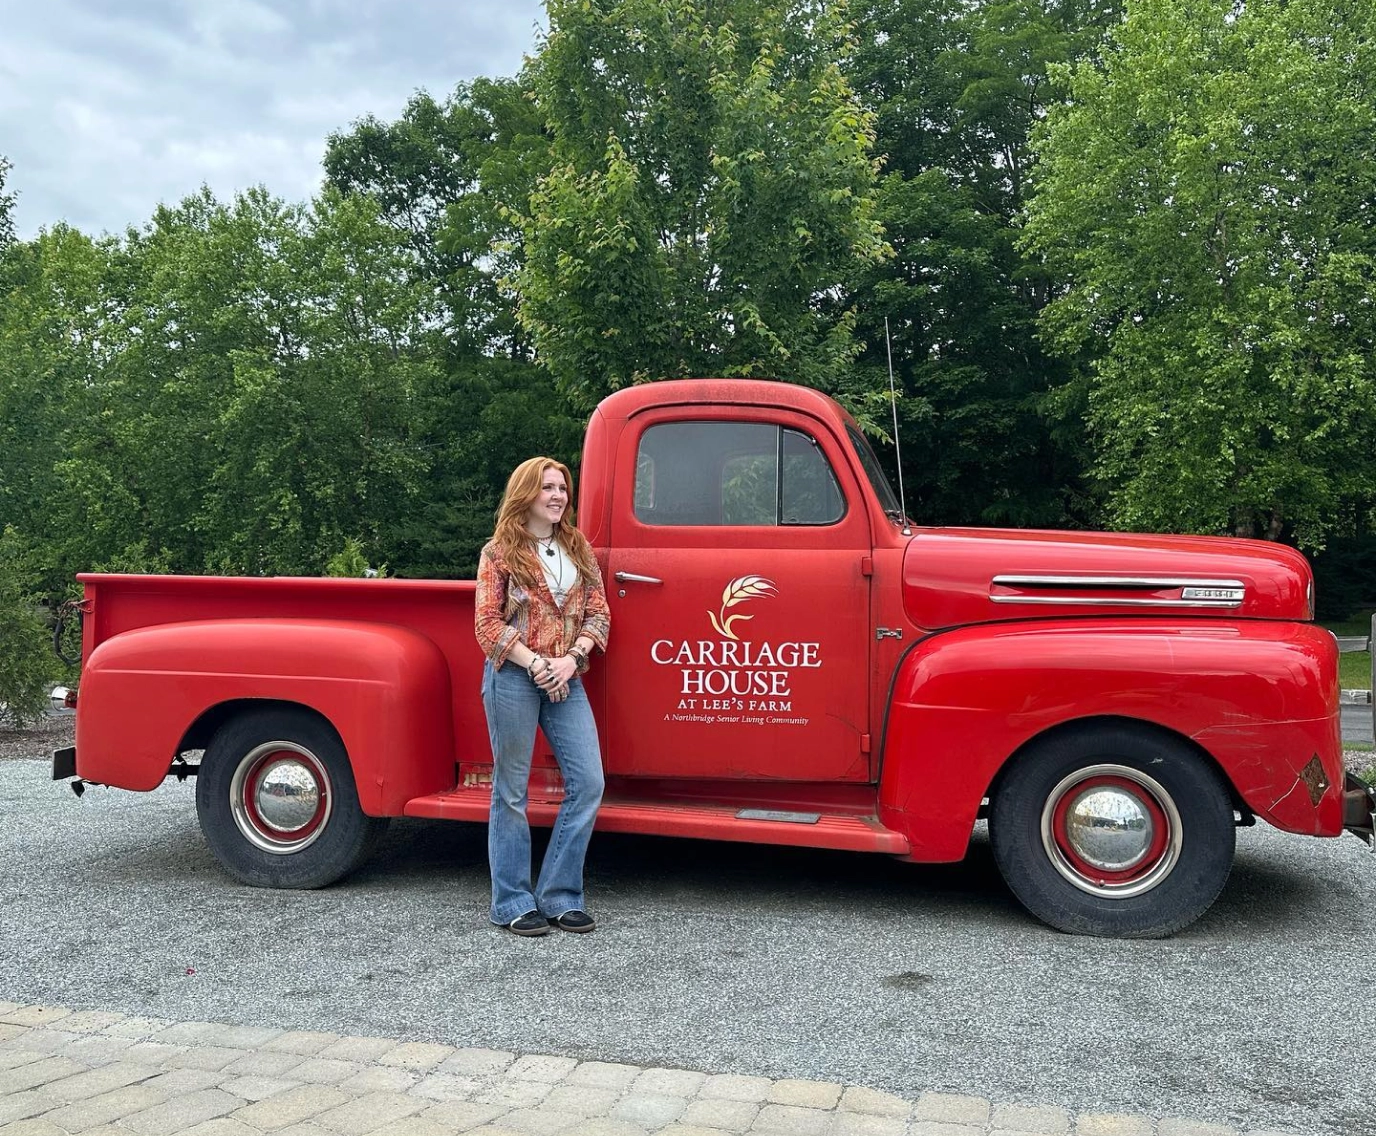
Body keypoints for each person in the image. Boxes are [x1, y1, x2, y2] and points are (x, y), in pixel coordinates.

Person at [474, 456, 611, 936]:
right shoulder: (499, 552)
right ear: (526, 494)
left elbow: (600, 612)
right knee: (511, 791)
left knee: (589, 782)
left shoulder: (577, 548)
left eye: (562, 488)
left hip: (566, 676)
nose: (557, 496)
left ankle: (559, 895)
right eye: (547, 488)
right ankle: (511, 901)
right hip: (514, 676)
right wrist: (535, 663)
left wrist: (571, 661)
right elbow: (487, 625)